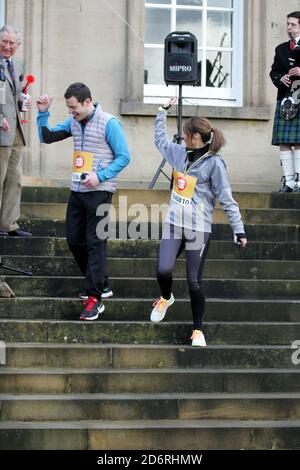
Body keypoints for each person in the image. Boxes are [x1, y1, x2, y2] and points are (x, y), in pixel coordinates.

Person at [150, 97, 247, 347]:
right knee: (163, 270)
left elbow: (227, 198)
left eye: (185, 134)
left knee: (194, 280)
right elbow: (159, 141)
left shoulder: (215, 164)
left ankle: (197, 330)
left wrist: (239, 230)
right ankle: (166, 297)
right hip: (174, 223)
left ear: (195, 136)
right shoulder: (179, 153)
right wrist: (162, 112)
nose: (182, 137)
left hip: (198, 228)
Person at [36, 83, 130, 320]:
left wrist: (100, 176)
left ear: (88, 102)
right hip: (78, 190)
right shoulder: (73, 123)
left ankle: (95, 298)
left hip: (100, 191)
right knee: (74, 240)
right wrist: (42, 113)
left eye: (74, 107)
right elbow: (46, 137)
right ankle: (102, 284)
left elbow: (124, 157)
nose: (71, 112)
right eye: (69, 108)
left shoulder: (109, 123)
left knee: (94, 242)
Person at [0, 25, 32, 237]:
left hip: (16, 131)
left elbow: (16, 94)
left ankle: (8, 225)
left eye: (12, 43)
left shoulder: (18, 66)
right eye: (4, 41)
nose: (8, 46)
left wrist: (25, 101)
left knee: (15, 179)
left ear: (18, 46)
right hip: (1, 131)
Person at [270, 11, 300, 192]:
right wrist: (280, 78)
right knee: (284, 140)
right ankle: (288, 182)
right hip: (285, 99)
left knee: (298, 141)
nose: (288, 28)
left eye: (293, 25)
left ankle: (299, 181)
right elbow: (273, 72)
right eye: (288, 24)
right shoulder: (281, 49)